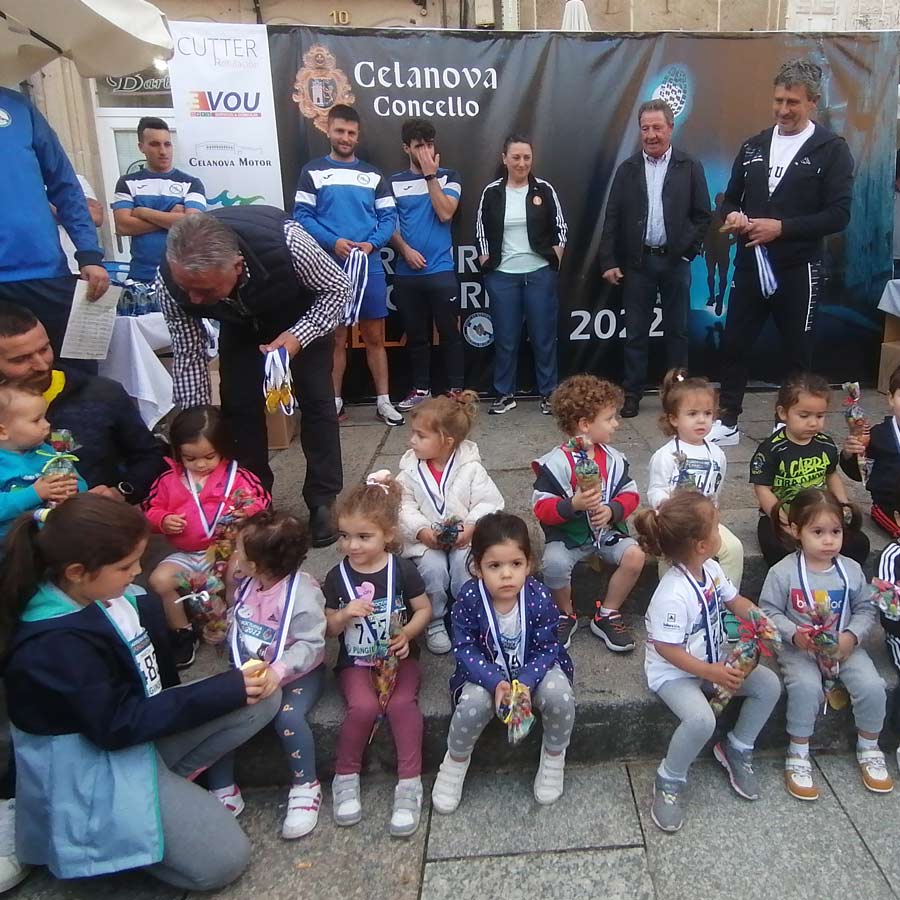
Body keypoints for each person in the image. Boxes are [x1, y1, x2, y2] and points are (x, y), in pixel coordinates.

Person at [0, 494, 281, 890]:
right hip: (93, 765)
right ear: (77, 572)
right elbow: (115, 726)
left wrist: (228, 689)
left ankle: (160, 793)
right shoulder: (53, 645)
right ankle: (110, 837)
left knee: (261, 695)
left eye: (138, 560)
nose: (137, 572)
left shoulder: (112, 595)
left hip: (136, 735)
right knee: (224, 861)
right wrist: (221, 690)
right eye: (125, 566)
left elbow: (154, 689)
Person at [157, 209, 350, 548]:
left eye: (203, 289)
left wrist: (297, 337)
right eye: (186, 288)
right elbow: (189, 351)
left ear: (236, 265)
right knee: (238, 408)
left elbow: (338, 289)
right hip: (240, 326)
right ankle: (253, 498)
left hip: (302, 315)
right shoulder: (171, 280)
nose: (194, 299)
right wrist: (197, 423)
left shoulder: (288, 243)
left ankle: (323, 499)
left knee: (317, 402)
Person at [710, 59, 854, 446]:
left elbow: (839, 214)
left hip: (798, 268)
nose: (783, 110)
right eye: (778, 100)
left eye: (793, 102)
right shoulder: (753, 146)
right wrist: (733, 215)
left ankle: (788, 423)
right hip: (751, 264)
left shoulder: (831, 150)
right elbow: (729, 200)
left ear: (813, 102)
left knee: (797, 352)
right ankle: (728, 419)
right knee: (734, 342)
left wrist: (783, 228)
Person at [635, 492, 781, 833]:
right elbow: (666, 648)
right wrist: (710, 672)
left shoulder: (711, 569)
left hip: (712, 661)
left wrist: (760, 620)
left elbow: (735, 601)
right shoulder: (672, 593)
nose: (721, 531)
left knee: (769, 685)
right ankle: (669, 778)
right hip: (674, 674)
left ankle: (737, 747)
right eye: (716, 527)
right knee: (701, 720)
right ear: (701, 544)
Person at [431, 512, 575, 813]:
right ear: (477, 566)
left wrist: (526, 682)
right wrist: (495, 682)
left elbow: (548, 646)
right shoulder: (469, 598)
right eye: (495, 566)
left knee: (559, 695)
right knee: (473, 703)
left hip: (533, 670)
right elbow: (464, 648)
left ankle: (553, 757)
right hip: (484, 673)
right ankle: (455, 762)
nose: (506, 574)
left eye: (515, 564)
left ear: (529, 564)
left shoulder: (539, 596)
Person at [760, 488, 892, 801]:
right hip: (800, 649)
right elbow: (767, 611)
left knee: (872, 686)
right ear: (796, 531)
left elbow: (865, 609)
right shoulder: (783, 572)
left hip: (843, 646)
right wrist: (794, 634)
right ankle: (798, 750)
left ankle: (869, 746)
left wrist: (851, 637)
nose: (829, 541)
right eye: (818, 532)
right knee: (805, 687)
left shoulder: (851, 571)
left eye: (835, 532)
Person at [205, 510, 327, 839]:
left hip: (299, 674)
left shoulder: (302, 594)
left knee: (288, 717)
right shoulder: (248, 584)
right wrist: (221, 631)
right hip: (251, 669)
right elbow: (242, 619)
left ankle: (306, 786)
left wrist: (279, 670)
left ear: (255, 564)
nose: (234, 554)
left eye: (239, 550)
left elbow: (312, 643)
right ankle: (222, 787)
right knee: (221, 710)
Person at [322, 473, 430, 837]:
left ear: (389, 535)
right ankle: (345, 775)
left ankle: (409, 783)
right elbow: (328, 628)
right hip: (355, 661)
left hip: (400, 660)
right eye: (344, 536)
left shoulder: (402, 570)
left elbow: (424, 609)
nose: (351, 545)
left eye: (363, 536)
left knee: (402, 705)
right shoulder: (337, 577)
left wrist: (408, 635)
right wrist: (342, 615)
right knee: (363, 707)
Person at [598, 99, 711, 418]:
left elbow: (703, 215)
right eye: (645, 128)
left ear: (671, 128)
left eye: (657, 127)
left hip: (675, 262)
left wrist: (687, 251)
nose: (651, 135)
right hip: (638, 263)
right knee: (636, 333)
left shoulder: (690, 166)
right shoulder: (628, 169)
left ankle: (678, 395)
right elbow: (612, 217)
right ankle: (632, 393)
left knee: (678, 331)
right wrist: (608, 261)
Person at [294, 104, 403, 426]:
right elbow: (301, 216)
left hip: (369, 266)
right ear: (328, 131)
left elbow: (389, 217)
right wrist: (333, 242)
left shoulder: (373, 175)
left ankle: (384, 402)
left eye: (351, 133)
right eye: (339, 131)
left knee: (375, 337)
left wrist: (372, 244)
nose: (345, 137)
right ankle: (334, 403)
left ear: (358, 136)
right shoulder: (312, 171)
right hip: (329, 267)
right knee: (335, 338)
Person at [143, 406, 270, 669]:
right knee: (160, 580)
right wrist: (163, 520)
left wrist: (248, 512)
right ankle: (183, 631)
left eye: (209, 457)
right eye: (189, 458)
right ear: (177, 452)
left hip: (228, 549)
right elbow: (150, 509)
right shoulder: (167, 480)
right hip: (188, 555)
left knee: (236, 573)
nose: (200, 464)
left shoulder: (237, 477)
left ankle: (238, 619)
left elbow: (262, 501)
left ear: (222, 449)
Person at [0, 302, 163, 502]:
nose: (42, 365)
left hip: (95, 516)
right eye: (21, 359)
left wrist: (121, 491)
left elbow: (149, 456)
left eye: (44, 349)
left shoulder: (101, 394)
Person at [532, 374, 644, 650]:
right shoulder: (556, 464)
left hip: (606, 534)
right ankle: (564, 613)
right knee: (554, 563)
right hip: (569, 537)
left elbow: (631, 494)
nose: (616, 424)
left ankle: (607, 612)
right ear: (585, 424)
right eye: (609, 418)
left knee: (635, 556)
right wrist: (572, 505)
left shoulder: (615, 460)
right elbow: (541, 507)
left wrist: (613, 510)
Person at [0, 87, 109, 370]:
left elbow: (65, 185)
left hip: (47, 274)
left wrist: (89, 254)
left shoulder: (17, 106)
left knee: (79, 376)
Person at [396, 391, 503, 654]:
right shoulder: (409, 470)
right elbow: (403, 505)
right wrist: (421, 530)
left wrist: (471, 526)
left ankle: (467, 615)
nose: (412, 441)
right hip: (426, 542)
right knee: (432, 570)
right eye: (413, 433)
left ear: (447, 441)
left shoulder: (471, 467)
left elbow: (489, 502)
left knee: (464, 567)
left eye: (421, 436)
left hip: (463, 538)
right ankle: (434, 620)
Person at [476, 134, 567, 416]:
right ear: (504, 159)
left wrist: (555, 258)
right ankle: (504, 393)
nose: (521, 163)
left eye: (527, 157)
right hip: (502, 276)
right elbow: (480, 229)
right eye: (515, 157)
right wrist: (486, 261)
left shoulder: (544, 189)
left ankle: (548, 393)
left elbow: (560, 227)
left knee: (543, 337)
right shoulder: (492, 192)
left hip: (539, 274)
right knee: (505, 338)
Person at [749, 373, 869, 566]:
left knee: (858, 543)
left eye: (820, 416)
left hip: (819, 513)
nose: (813, 423)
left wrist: (843, 504)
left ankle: (840, 577)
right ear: (783, 413)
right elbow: (762, 488)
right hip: (784, 513)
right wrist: (782, 520)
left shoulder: (825, 444)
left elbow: (831, 475)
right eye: (804, 416)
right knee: (778, 547)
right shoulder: (772, 449)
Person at [389, 118, 464, 407]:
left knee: (449, 333)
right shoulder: (394, 182)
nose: (426, 152)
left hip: (441, 270)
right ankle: (421, 390)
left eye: (430, 145)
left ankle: (456, 390)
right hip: (406, 272)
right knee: (416, 335)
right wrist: (405, 250)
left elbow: (446, 213)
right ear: (406, 148)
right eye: (419, 146)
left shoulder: (449, 176)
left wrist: (430, 176)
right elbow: (388, 224)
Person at [646, 370, 742, 589]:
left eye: (707, 413)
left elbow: (715, 490)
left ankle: (725, 597)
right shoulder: (665, 455)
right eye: (692, 414)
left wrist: (713, 514)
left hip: (706, 523)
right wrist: (666, 507)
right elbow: (656, 490)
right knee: (672, 557)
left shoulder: (717, 454)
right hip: (676, 525)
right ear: (674, 418)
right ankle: (671, 594)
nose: (701, 420)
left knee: (733, 548)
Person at [112, 117, 206, 314]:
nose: (163, 151)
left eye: (167, 144)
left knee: (182, 332)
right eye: (155, 144)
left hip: (181, 277)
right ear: (141, 147)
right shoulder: (127, 183)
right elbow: (123, 226)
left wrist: (143, 212)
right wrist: (171, 218)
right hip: (141, 277)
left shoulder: (191, 183)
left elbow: (192, 223)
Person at [0, 383, 86, 537]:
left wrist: (73, 490)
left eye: (45, 417)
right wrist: (35, 493)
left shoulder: (52, 450)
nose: (47, 425)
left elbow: (81, 483)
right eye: (36, 420)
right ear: (2, 431)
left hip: (55, 538)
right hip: (11, 546)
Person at [840, 362, 900, 538]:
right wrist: (851, 453)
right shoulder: (878, 436)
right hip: (890, 505)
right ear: (891, 398)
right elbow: (859, 473)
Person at [54, 174, 103, 276]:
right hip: (40, 269)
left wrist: (44, 200)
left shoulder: (75, 179)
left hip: (77, 265)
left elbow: (96, 216)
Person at [702, 192, 734, 318]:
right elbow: (704, 232)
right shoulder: (710, 215)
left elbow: (736, 235)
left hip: (720, 251)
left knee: (720, 276)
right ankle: (713, 297)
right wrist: (703, 246)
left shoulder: (728, 217)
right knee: (713, 275)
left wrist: (728, 242)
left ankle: (718, 297)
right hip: (712, 250)